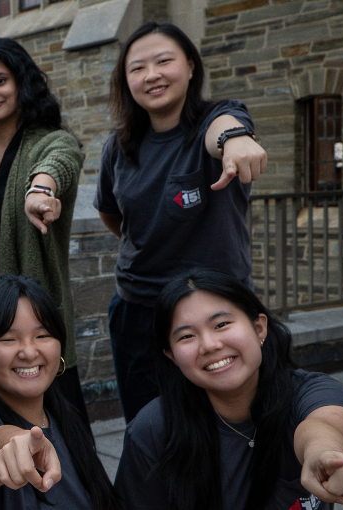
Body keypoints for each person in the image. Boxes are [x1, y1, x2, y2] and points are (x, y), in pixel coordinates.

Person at [96, 21, 269, 422]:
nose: (151, 75)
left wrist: (236, 141)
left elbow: (226, 130)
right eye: (137, 68)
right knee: (148, 425)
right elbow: (111, 213)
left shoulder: (215, 121)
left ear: (190, 66)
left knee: (229, 424)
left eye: (163, 61)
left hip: (217, 310)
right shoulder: (118, 147)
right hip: (139, 310)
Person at [116, 269, 343, 509]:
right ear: (171, 355)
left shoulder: (311, 393)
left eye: (221, 324)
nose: (209, 345)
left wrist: (323, 454)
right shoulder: (153, 429)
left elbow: (324, 426)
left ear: (259, 328)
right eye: (186, 336)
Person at [0, 38, 88, 422]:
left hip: (30, 311)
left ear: (22, 83)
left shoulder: (50, 141)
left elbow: (61, 160)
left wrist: (40, 190)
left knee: (56, 422)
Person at [0, 275, 116, 510]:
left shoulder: (65, 417)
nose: (28, 352)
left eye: (42, 336)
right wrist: (9, 442)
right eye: (9, 339)